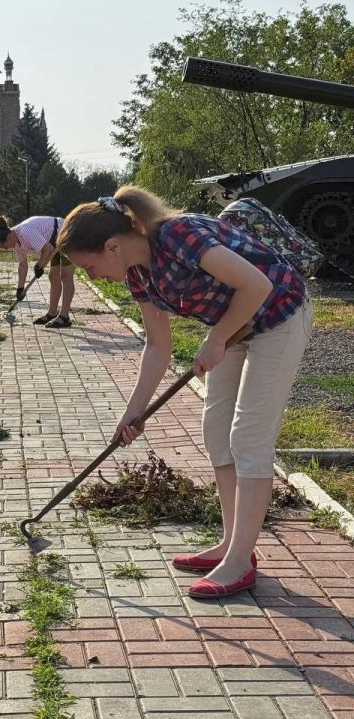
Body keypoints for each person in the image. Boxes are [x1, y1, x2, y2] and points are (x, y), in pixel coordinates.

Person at [57, 187, 312, 599]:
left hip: (278, 314)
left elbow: (256, 285)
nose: (91, 276)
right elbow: (158, 346)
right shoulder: (140, 275)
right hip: (234, 326)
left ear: (112, 246)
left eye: (88, 266)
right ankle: (232, 546)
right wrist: (132, 413)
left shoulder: (179, 235)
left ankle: (240, 561)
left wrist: (216, 339)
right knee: (217, 432)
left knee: (249, 438)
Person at [0, 215, 73, 328]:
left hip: (66, 233)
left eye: (5, 247)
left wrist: (39, 266)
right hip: (53, 241)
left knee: (66, 276)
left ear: (8, 238)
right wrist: (20, 289)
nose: (7, 249)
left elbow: (46, 249)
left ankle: (64, 317)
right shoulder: (16, 243)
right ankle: (52, 313)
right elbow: (22, 265)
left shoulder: (24, 231)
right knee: (53, 276)